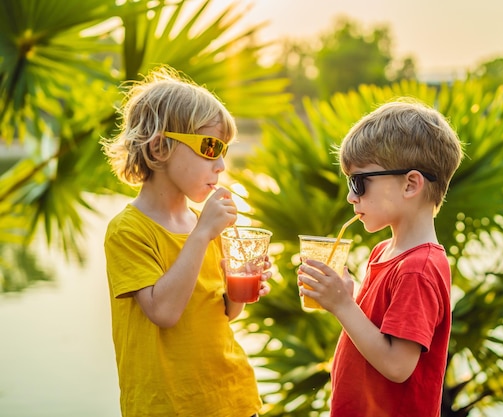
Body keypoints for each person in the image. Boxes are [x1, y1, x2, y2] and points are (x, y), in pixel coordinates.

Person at [102, 66, 269, 417]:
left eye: (224, 150)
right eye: (210, 147)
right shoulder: (129, 231)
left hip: (232, 398)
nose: (221, 164)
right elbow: (164, 312)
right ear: (160, 147)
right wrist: (203, 234)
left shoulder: (203, 223)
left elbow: (224, 313)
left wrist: (243, 286)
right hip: (169, 407)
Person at [298, 100, 463, 417]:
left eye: (359, 182)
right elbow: (378, 329)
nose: (351, 196)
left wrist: (343, 306)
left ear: (410, 184)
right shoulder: (384, 252)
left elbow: (397, 365)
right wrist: (348, 294)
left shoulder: (419, 269)